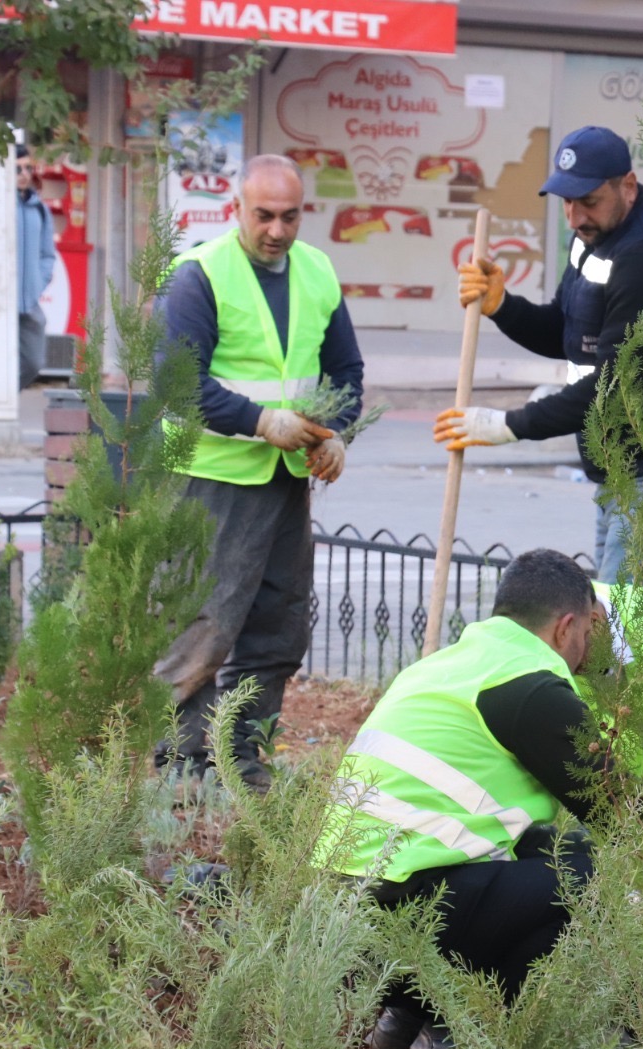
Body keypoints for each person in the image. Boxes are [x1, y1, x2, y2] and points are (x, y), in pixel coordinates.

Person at [317, 549, 607, 1049]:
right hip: (410, 923)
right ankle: (459, 1032)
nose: (586, 650)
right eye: (587, 633)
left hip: (342, 923)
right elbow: (631, 813)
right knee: (597, 873)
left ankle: (408, 1018)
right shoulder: (533, 688)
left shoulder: (444, 666)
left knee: (546, 847)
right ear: (565, 628)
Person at [151, 154, 363, 792]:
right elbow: (176, 384)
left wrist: (337, 432)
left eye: (290, 216)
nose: (277, 229)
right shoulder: (199, 276)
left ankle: (239, 758)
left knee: (278, 625)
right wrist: (259, 420)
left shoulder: (317, 272)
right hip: (207, 477)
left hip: (283, 479)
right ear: (236, 210)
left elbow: (345, 371)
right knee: (202, 627)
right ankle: (182, 765)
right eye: (264, 215)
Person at [433, 125, 643, 583]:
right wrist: (503, 306)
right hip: (620, 468)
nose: (575, 217)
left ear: (628, 188)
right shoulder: (592, 237)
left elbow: (613, 391)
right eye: (567, 202)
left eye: (589, 202)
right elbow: (567, 330)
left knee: (623, 626)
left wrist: (507, 425)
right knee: (614, 621)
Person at [15, 146, 56, 389]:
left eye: (28, 168)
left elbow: (47, 254)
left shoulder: (40, 209)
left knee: (33, 362)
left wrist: (38, 283)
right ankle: (1, 408)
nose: (24, 174)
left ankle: (6, 397)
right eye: (17, 168)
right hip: (0, 305)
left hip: (30, 304)